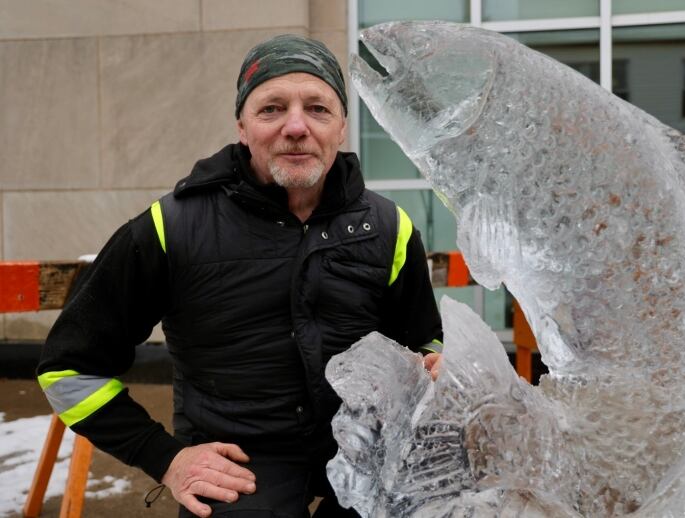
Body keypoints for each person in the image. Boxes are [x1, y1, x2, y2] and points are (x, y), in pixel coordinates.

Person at [37, 34, 443, 518]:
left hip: (365, 451)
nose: (296, 126)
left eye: (317, 108)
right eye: (272, 109)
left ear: (340, 128)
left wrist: (433, 366)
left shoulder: (389, 228)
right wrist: (164, 457)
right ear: (242, 126)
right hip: (239, 462)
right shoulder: (174, 227)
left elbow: (424, 343)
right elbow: (67, 369)